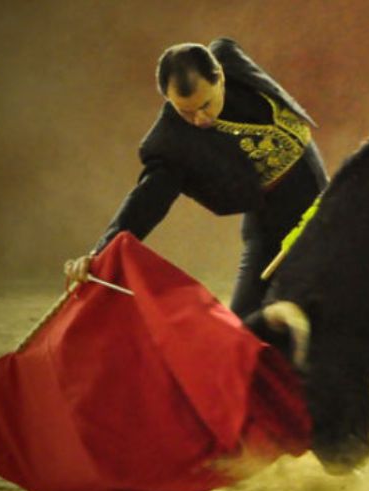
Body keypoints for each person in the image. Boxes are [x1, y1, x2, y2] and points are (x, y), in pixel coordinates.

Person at [64, 38, 327, 318]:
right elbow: (146, 200)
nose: (200, 119)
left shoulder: (229, 58)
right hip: (274, 224)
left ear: (220, 77)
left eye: (205, 105)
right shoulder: (171, 141)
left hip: (326, 197)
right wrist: (100, 254)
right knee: (246, 327)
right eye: (185, 112)